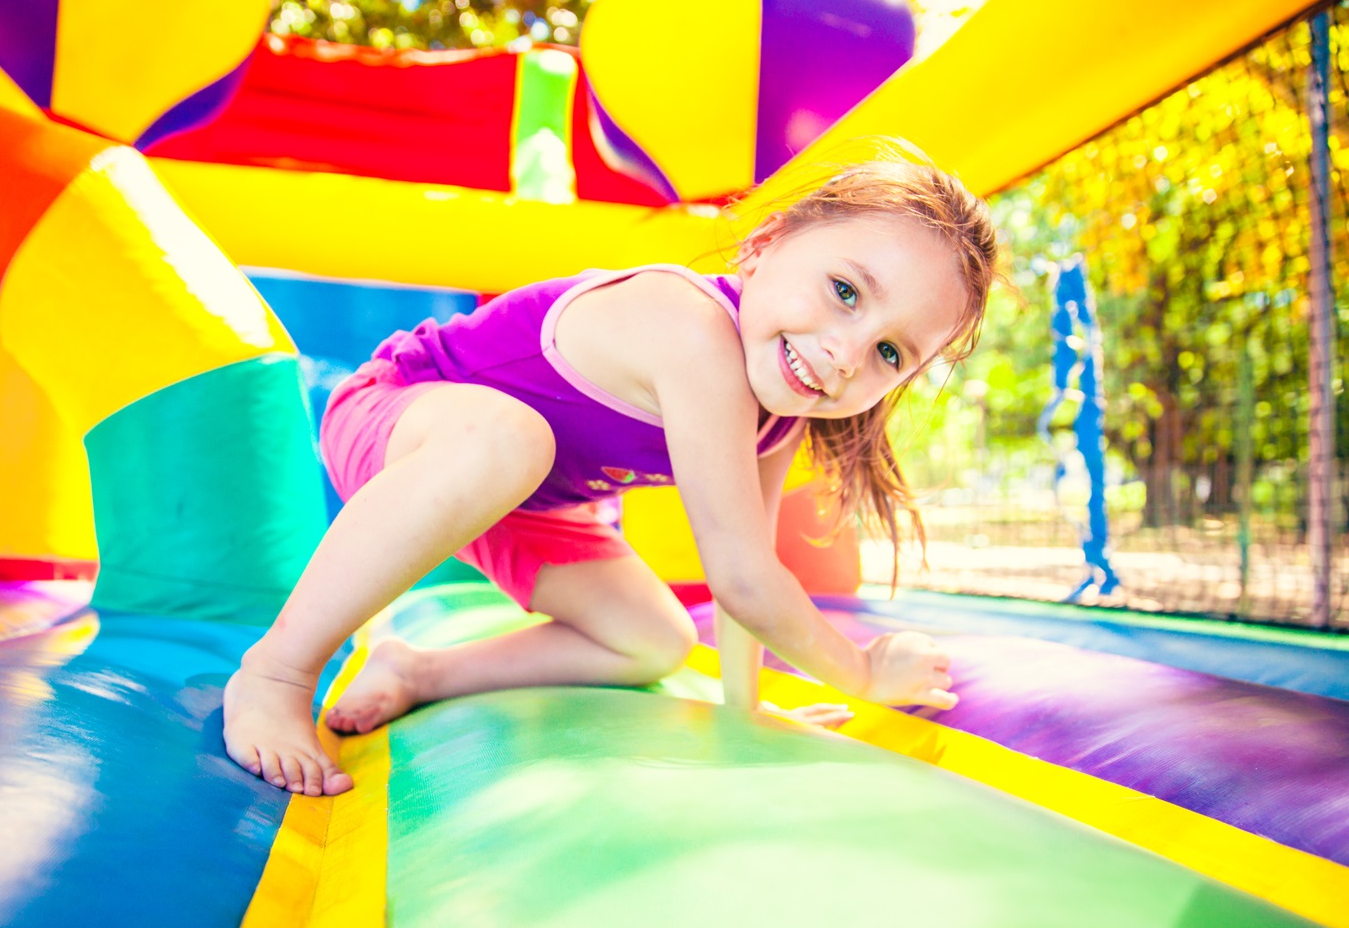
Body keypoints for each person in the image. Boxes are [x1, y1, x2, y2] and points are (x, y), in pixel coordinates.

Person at [224, 153, 998, 797]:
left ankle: (419, 672)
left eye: (890, 354)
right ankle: (276, 673)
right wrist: (859, 670)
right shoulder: (688, 325)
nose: (846, 353)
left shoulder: (784, 406)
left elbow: (750, 566)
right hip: (403, 421)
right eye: (844, 292)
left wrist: (745, 711)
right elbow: (741, 582)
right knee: (509, 437)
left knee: (653, 639)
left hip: (528, 499)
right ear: (764, 245)